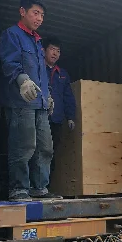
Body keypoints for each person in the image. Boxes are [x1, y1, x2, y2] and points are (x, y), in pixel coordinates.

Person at [0, 0, 61, 201]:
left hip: (40, 103)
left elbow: (42, 73)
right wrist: (23, 80)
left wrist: (48, 96)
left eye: (42, 15)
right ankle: (19, 189)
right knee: (23, 146)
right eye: (36, 13)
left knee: (45, 148)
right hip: (21, 102)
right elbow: (10, 63)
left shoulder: (37, 41)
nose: (39, 18)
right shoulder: (12, 34)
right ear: (22, 12)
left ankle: (39, 188)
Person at [42, 36, 76, 176]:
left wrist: (70, 117)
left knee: (52, 151)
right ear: (44, 50)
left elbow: (68, 97)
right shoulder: (37, 69)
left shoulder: (63, 74)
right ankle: (35, 185)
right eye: (52, 49)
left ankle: (47, 184)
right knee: (39, 150)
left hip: (56, 120)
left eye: (58, 51)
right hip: (40, 118)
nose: (55, 53)